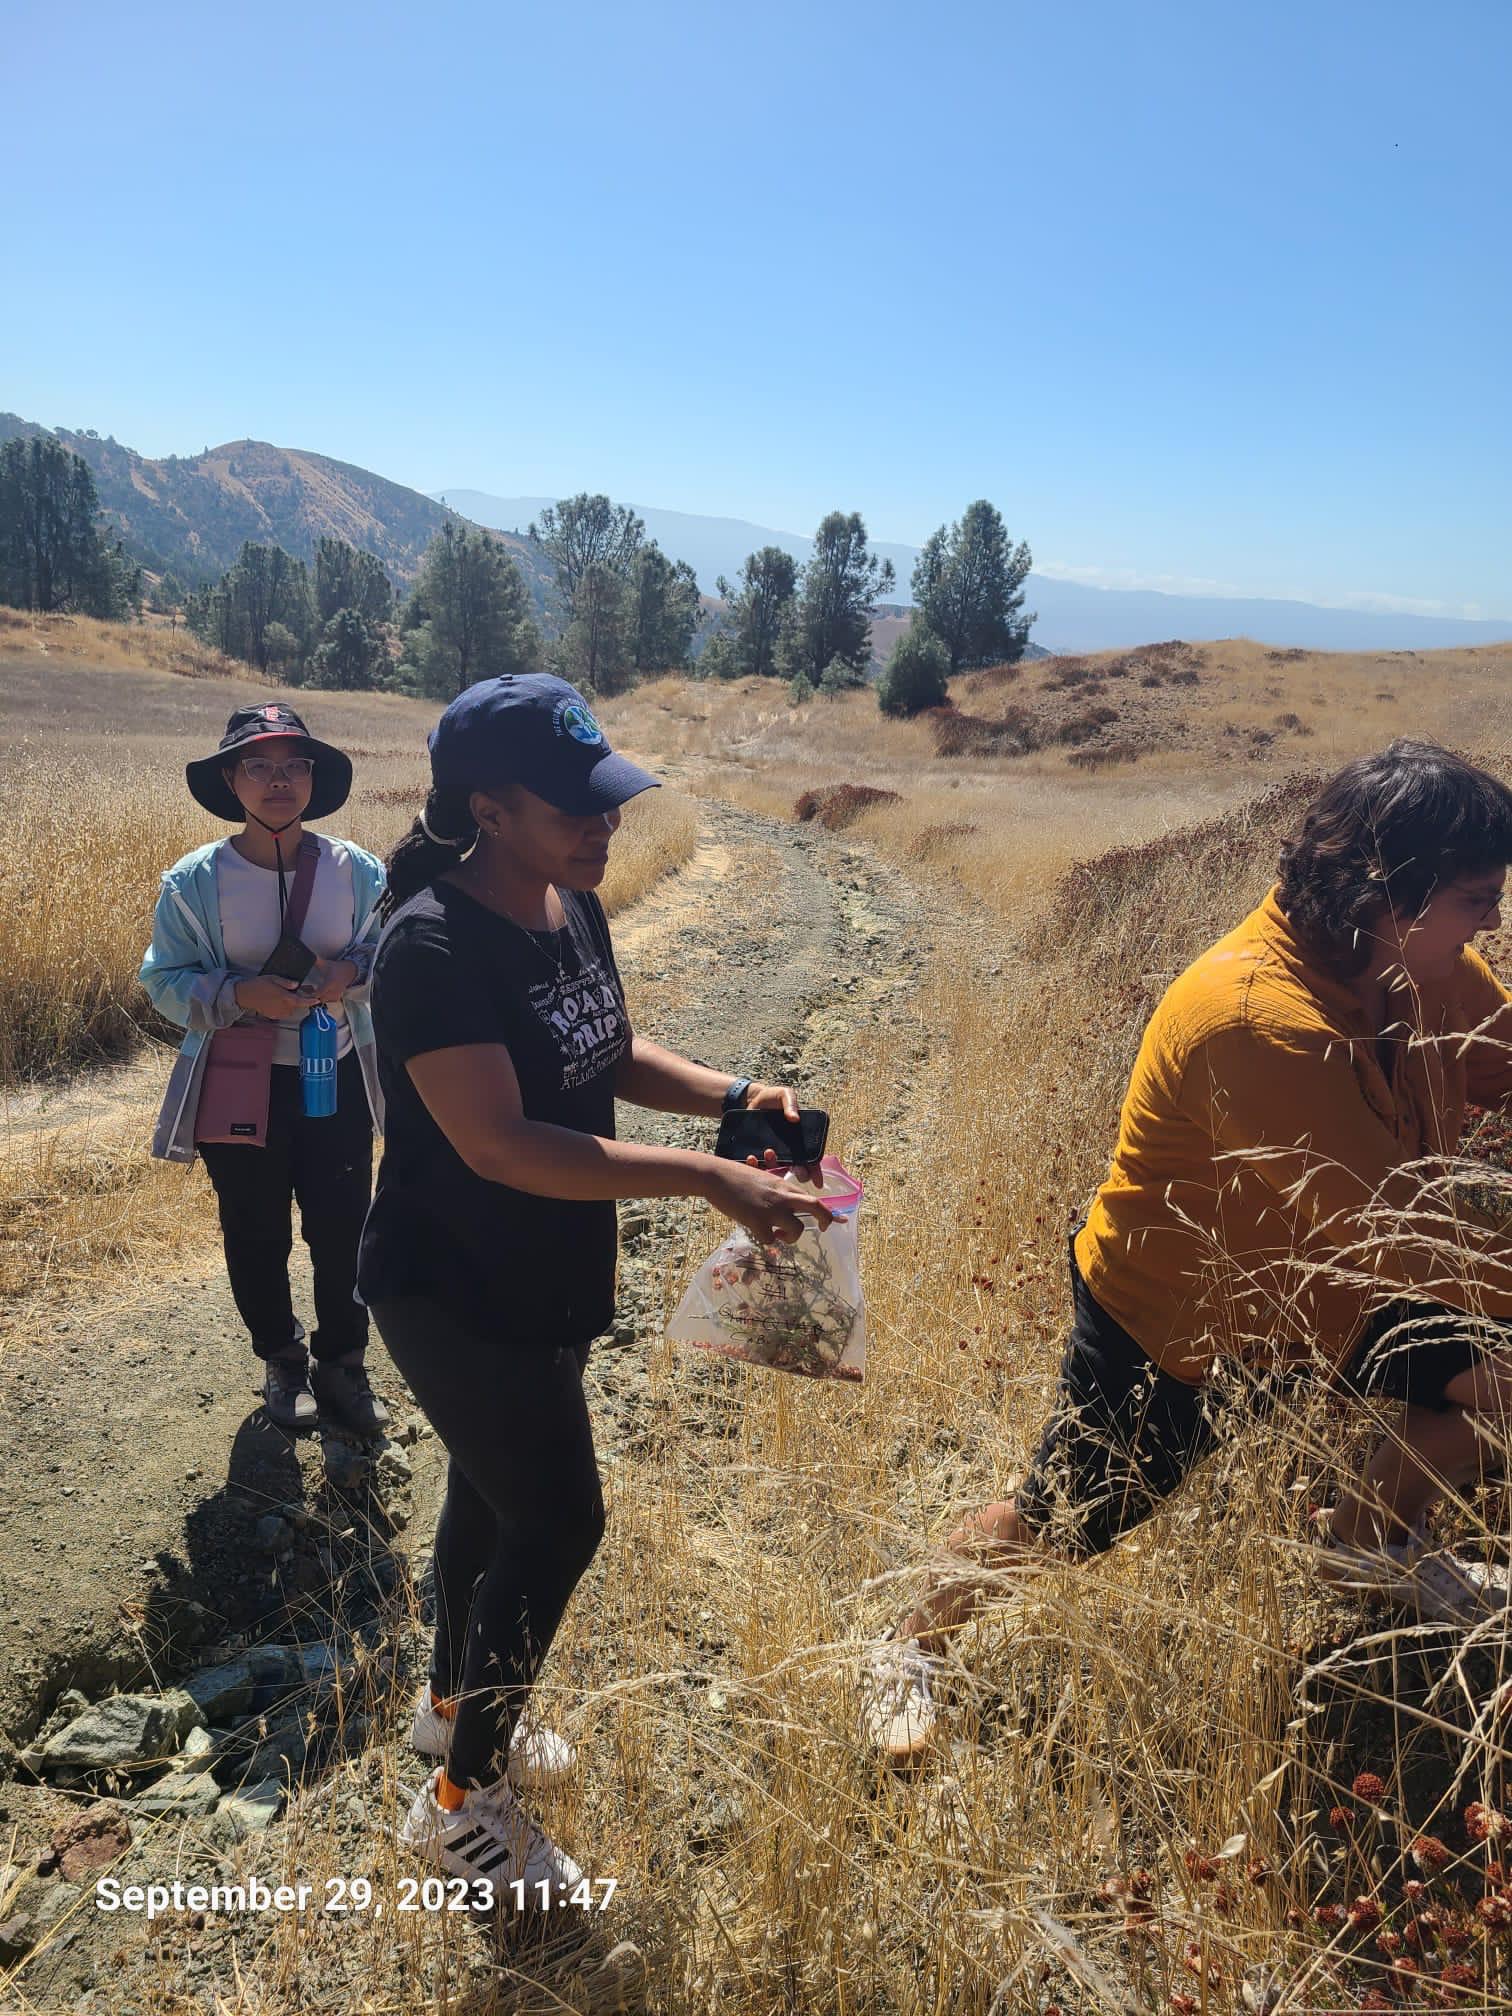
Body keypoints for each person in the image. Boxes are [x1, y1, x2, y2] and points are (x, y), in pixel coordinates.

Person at [865, 738, 1512, 1763]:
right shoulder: (1257, 1019)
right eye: (1478, 899)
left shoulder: (1417, 965)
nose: (1493, 922)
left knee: (1499, 1385)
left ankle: (1369, 1547)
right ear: (1389, 894)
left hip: (1337, 1287)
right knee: (1069, 1518)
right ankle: (910, 1644)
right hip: (1189, 1316)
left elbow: (1501, 1066)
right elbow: (1390, 1237)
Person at [358, 671, 832, 1896]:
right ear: (489, 809)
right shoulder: (429, 945)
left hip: (546, 1269)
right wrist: (706, 1177)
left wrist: (733, 1097)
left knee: (489, 1494)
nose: (605, 823)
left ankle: (447, 1712)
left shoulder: (568, 906)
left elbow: (606, 1049)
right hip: (452, 1286)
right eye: (575, 806)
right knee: (559, 1521)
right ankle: (464, 1807)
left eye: (608, 797)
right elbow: (500, 1144)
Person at [141, 702, 390, 1436]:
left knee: (344, 1227)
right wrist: (241, 994)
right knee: (254, 1231)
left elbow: (395, 953)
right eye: (258, 765)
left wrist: (350, 973)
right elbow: (162, 980)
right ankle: (282, 1360)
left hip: (337, 1076)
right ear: (231, 780)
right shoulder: (194, 882)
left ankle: (343, 1362)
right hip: (238, 1084)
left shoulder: (358, 871)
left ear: (313, 777)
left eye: (294, 765)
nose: (279, 781)